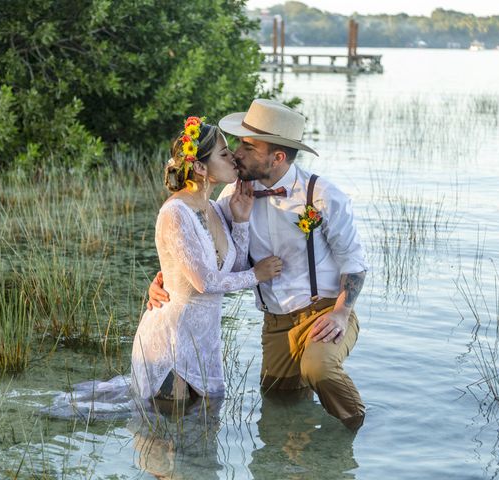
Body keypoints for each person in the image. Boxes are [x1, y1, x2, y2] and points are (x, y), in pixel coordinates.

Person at [147, 99, 369, 431]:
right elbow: (202, 247)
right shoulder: (231, 195)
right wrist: (164, 278)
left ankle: (355, 431)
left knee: (318, 369)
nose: (237, 153)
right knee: (277, 409)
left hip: (324, 310)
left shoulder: (323, 195)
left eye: (248, 147)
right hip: (275, 322)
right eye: (236, 145)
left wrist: (341, 311)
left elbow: (355, 262)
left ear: (276, 157)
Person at [131, 116, 282, 406]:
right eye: (224, 154)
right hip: (171, 341)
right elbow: (205, 283)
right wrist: (258, 275)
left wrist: (240, 221)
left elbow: (231, 269)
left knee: (201, 440)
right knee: (168, 438)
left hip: (204, 341)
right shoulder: (175, 212)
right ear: (200, 167)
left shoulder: (215, 208)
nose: (235, 159)